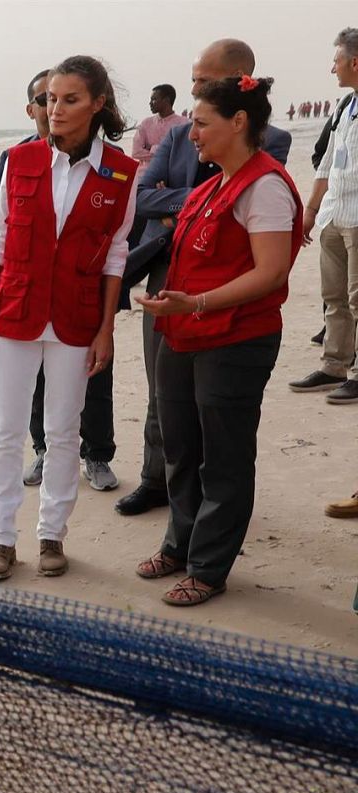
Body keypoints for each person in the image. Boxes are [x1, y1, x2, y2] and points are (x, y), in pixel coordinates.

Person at [0, 56, 137, 582]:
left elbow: (115, 255)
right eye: (49, 100)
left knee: (64, 433)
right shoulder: (18, 160)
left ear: (98, 104)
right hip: (16, 310)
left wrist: (106, 328)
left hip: (77, 319)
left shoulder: (122, 172)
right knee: (6, 432)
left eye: (69, 100)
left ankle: (51, 536)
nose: (55, 110)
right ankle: (0, 539)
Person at [134, 75, 301, 606]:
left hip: (234, 340)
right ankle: (179, 544)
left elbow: (271, 272)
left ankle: (209, 566)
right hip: (183, 333)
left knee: (223, 456)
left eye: (201, 124)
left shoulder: (265, 185)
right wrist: (176, 304)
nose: (192, 135)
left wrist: (199, 302)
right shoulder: (210, 186)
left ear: (239, 122)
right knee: (182, 445)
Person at [118, 38, 294, 517]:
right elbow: (142, 196)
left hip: (224, 291)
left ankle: (202, 511)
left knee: (211, 409)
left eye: (203, 81)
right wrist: (196, 201)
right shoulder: (178, 134)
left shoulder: (269, 144)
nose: (192, 89)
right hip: (164, 267)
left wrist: (196, 201)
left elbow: (268, 260)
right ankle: (158, 481)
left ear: (238, 79)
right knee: (163, 390)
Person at [290, 28, 358, 405]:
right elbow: (327, 163)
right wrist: (311, 212)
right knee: (334, 297)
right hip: (335, 212)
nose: (332, 69)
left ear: (353, 62)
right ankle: (334, 366)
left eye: (335, 61)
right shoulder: (344, 108)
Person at [133, 84, 187, 177]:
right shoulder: (146, 123)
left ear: (166, 100)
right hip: (146, 174)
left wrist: (152, 149)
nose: (150, 103)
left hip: (175, 175)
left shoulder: (184, 124)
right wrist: (162, 152)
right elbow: (136, 152)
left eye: (154, 99)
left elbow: (184, 152)